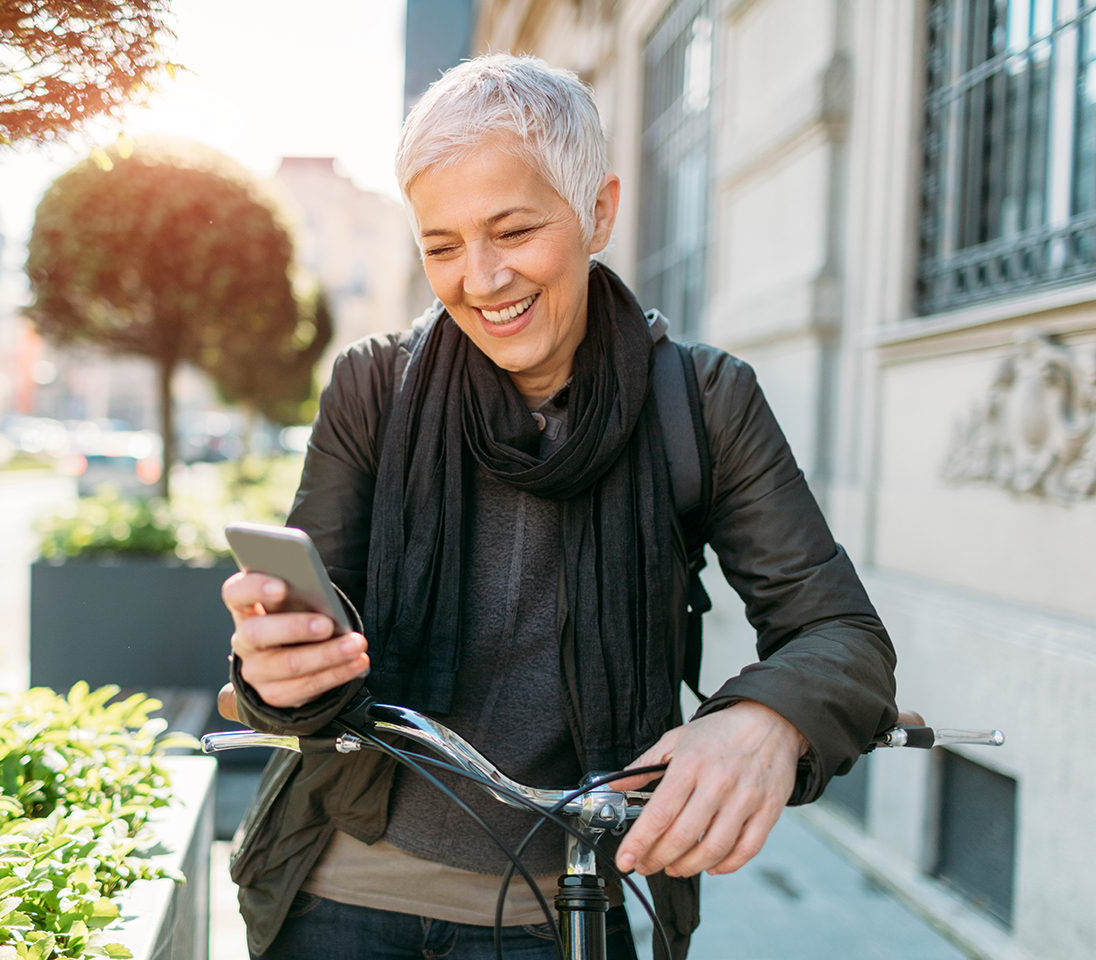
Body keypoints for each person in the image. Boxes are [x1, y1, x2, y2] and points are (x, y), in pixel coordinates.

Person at [222, 54, 897, 960]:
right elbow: (311, 643)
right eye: (443, 246)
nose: (482, 278)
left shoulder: (703, 401)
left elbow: (842, 635)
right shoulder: (371, 387)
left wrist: (764, 720)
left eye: (513, 229)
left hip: (562, 910)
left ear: (600, 212)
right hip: (335, 889)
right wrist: (277, 668)